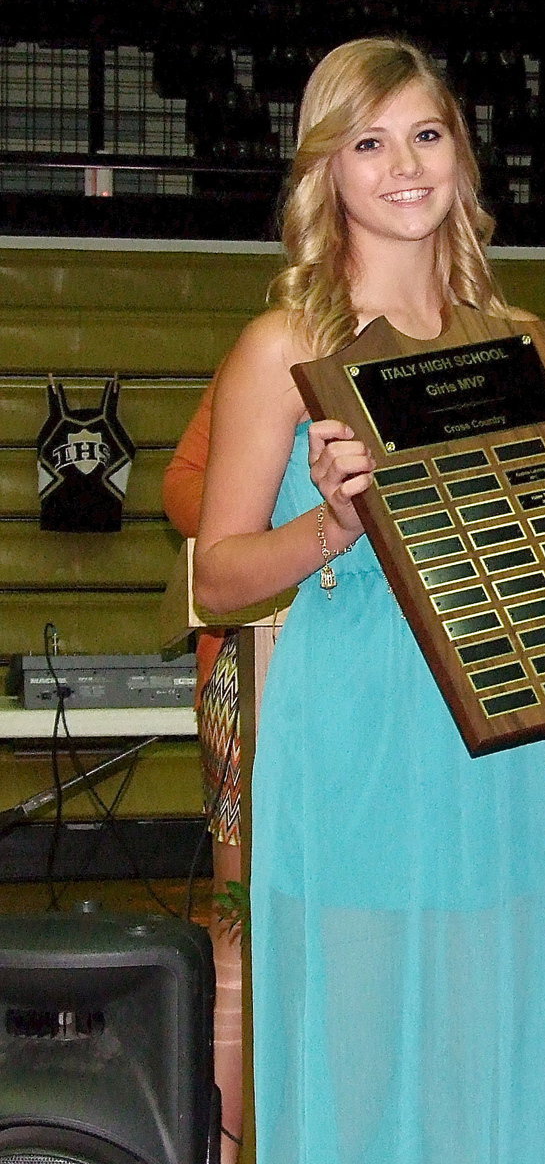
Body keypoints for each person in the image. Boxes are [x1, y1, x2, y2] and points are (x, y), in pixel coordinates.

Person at [193, 39, 545, 1164]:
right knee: (348, 1053)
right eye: (368, 141)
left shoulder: (523, 346)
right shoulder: (284, 349)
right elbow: (214, 575)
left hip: (487, 737)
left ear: (461, 152)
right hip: (346, 729)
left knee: (476, 1049)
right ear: (328, 172)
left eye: (426, 134)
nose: (403, 165)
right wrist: (333, 528)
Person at [163, 380, 245, 1164]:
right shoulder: (266, 346)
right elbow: (182, 483)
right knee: (238, 932)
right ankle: (219, 1146)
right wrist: (267, 528)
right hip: (252, 669)